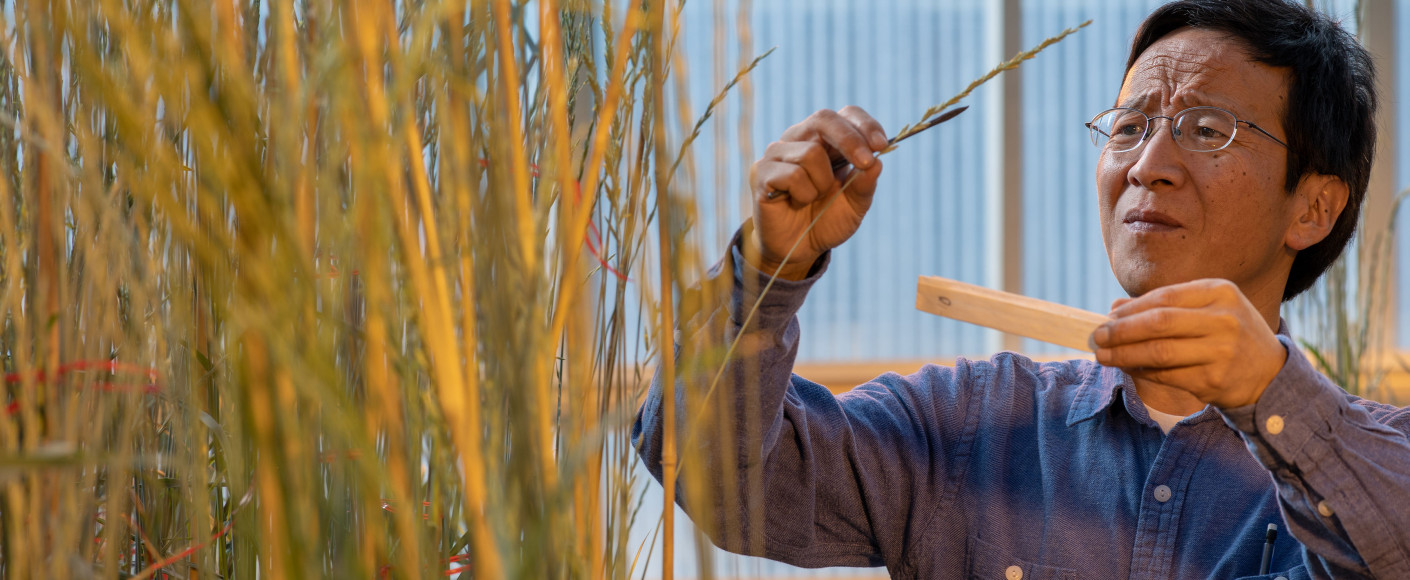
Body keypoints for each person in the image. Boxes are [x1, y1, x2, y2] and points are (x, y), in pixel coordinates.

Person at [633, 0, 1410, 578]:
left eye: (1208, 130)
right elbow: (716, 479)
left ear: (1313, 206)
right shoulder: (970, 421)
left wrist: (1271, 394)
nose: (1146, 165)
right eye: (1129, 127)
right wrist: (767, 272)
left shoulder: (1368, 466)